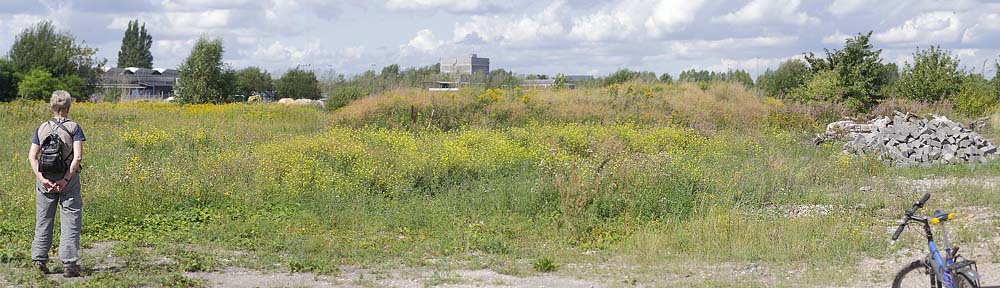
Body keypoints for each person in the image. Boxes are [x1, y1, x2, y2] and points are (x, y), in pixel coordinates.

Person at [27, 90, 86, 277]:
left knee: (44, 219)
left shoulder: (41, 128)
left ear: (52, 107)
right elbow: (77, 158)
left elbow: (32, 157)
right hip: (68, 179)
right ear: (68, 107)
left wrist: (42, 179)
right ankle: (69, 264)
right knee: (71, 219)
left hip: (45, 179)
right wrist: (65, 179)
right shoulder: (74, 128)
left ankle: (39, 260)